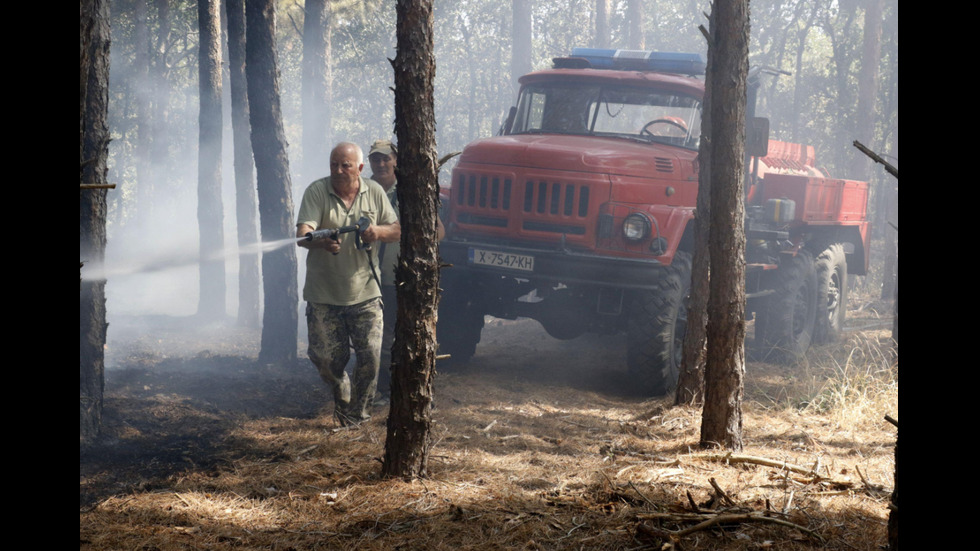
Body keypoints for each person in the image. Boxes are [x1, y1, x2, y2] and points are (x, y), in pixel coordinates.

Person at [296, 142, 400, 426]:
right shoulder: (317, 191)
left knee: (371, 358)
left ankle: (357, 418)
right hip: (324, 295)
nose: (339, 171)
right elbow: (303, 232)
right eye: (334, 165)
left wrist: (375, 232)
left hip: (365, 293)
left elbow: (396, 229)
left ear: (360, 168)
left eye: (346, 165)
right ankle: (342, 394)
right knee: (326, 360)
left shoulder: (374, 192)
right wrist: (319, 241)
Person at [367, 139, 444, 398]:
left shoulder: (410, 193)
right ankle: (375, 389)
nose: (380, 164)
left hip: (398, 278)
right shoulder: (361, 190)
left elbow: (438, 231)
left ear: (396, 161)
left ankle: (394, 391)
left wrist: (412, 246)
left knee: (396, 334)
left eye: (385, 158)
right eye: (375, 159)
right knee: (371, 336)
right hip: (363, 280)